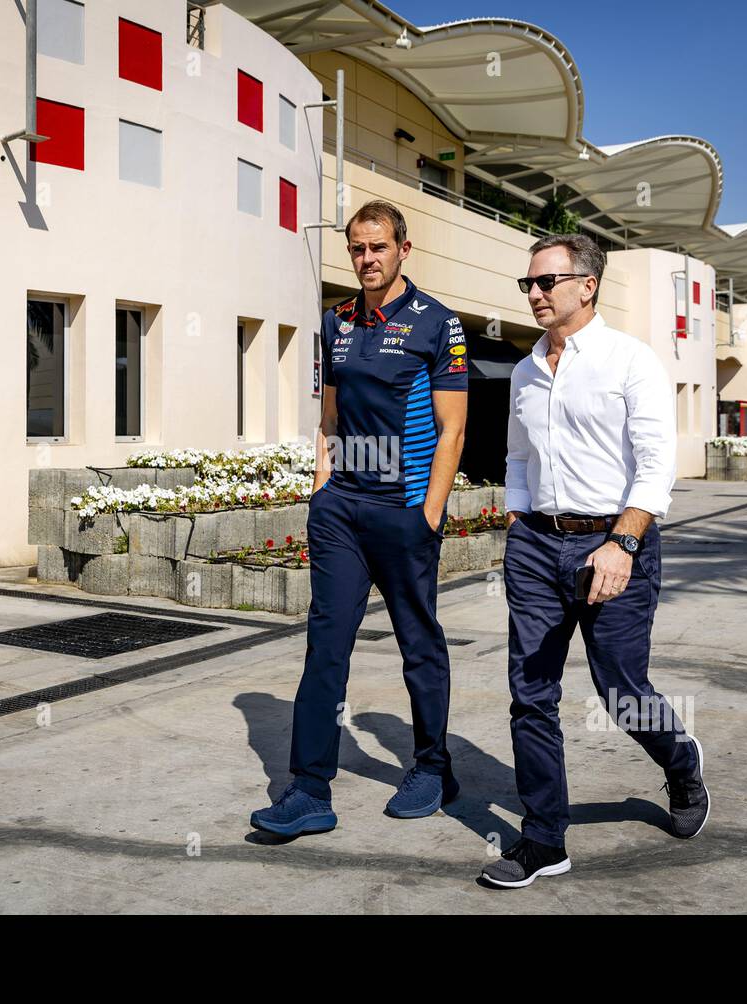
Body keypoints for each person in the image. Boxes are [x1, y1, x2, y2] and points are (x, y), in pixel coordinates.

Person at [480, 233, 707, 889]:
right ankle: (543, 840)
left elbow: (656, 465)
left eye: (546, 281)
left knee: (620, 690)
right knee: (530, 695)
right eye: (528, 283)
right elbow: (518, 456)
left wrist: (624, 543)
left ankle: (680, 759)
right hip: (536, 547)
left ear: (588, 285)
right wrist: (519, 520)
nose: (534, 294)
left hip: (614, 541)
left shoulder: (629, 361)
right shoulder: (525, 370)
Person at [250, 201, 468, 837]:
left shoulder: (440, 325)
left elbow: (454, 430)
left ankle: (432, 767)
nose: (366, 259)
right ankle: (309, 789)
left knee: (417, 644)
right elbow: (330, 419)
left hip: (403, 512)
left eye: (377, 247)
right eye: (356, 249)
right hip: (342, 510)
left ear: (404, 248)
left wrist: (428, 515)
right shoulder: (336, 321)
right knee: (326, 648)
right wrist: (322, 494)